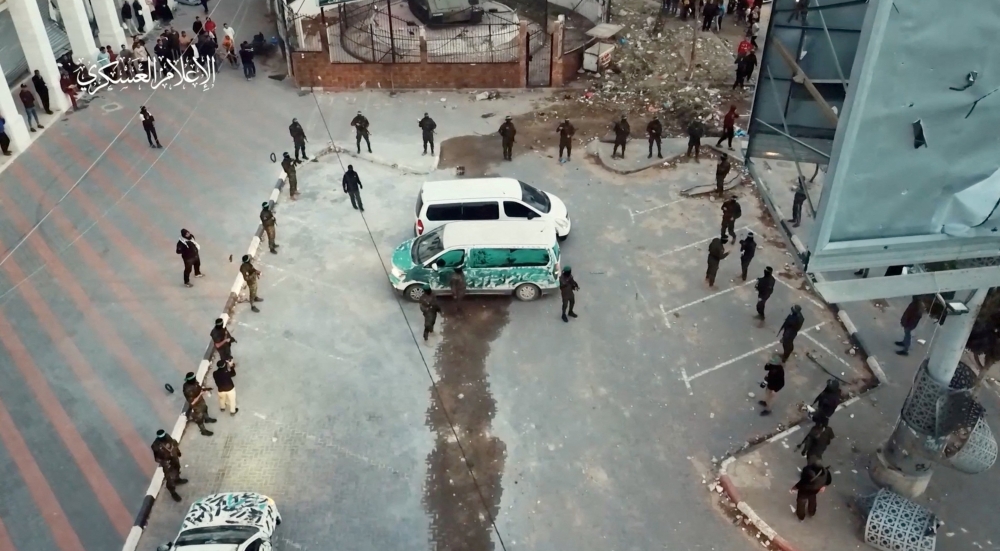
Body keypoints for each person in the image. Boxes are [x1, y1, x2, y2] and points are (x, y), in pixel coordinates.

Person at [151, 430, 187, 501]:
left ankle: (177, 479)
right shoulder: (156, 445)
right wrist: (164, 462)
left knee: (177, 469)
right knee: (170, 478)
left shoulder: (168, 437)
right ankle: (172, 492)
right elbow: (157, 458)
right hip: (167, 463)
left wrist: (178, 452)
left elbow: (174, 445)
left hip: (174, 458)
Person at [182, 371, 216, 436]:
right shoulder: (187, 390)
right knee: (199, 418)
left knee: (205, 408)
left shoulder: (193, 382)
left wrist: (205, 389)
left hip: (200, 401)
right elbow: (192, 402)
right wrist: (200, 394)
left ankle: (207, 419)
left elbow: (198, 387)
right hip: (196, 405)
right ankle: (203, 431)